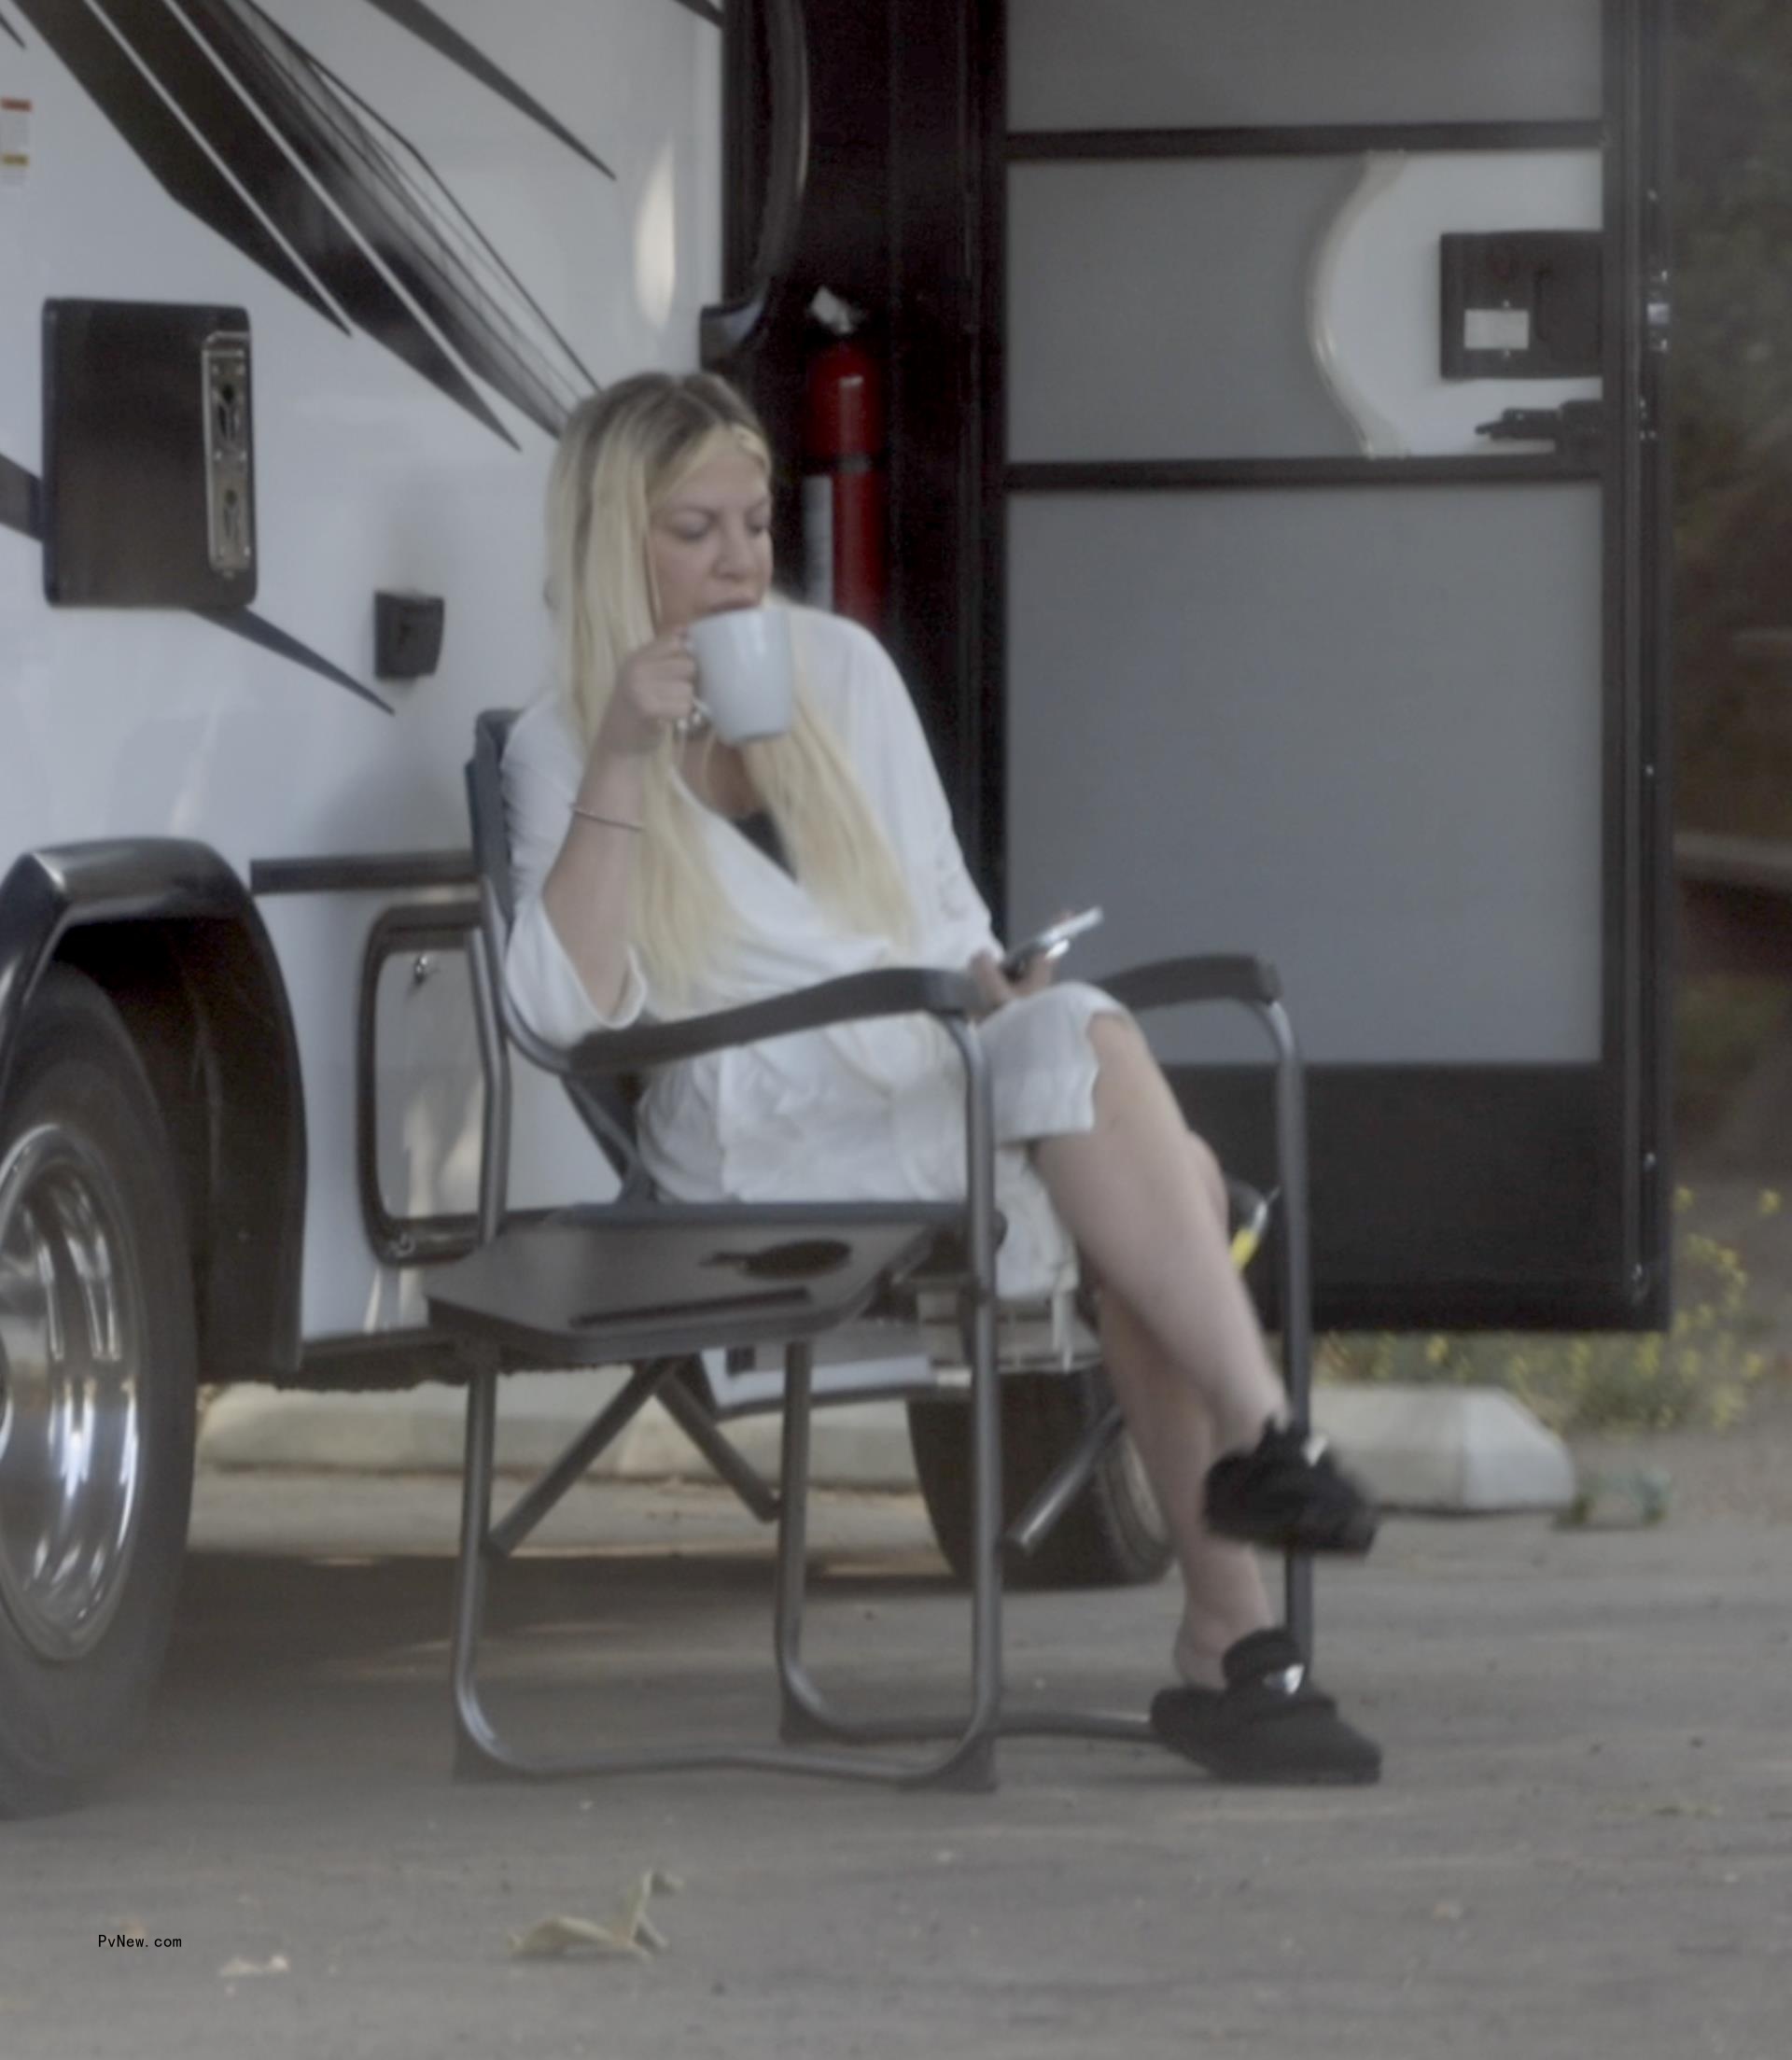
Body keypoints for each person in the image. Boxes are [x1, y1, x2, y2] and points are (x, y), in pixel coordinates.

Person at [500, 371, 1381, 1784]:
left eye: (751, 525)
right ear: (614, 541)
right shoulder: (563, 742)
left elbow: (944, 920)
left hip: (927, 1074)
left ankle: (1256, 1512)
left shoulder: (838, 671)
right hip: (757, 1139)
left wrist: (998, 990)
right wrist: (621, 752)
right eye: (694, 531)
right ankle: (1239, 1621)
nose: (740, 563)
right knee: (1157, 1180)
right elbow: (561, 1014)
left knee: (1085, 1043)